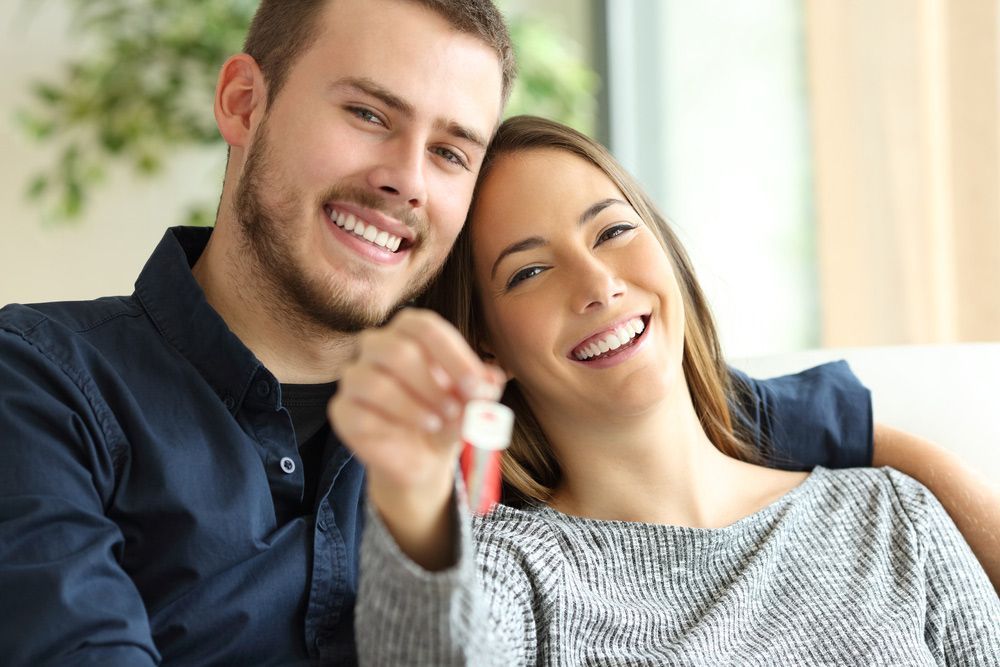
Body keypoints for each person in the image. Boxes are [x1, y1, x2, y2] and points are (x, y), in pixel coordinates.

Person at [0, 0, 993, 664]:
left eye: (449, 148)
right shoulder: (45, 381)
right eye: (366, 114)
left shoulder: (484, 406)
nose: (404, 176)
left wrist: (907, 460)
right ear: (243, 102)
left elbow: (683, 406)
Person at [339, 116, 1000, 664]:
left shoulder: (892, 516)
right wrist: (415, 496)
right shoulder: (507, 574)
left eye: (613, 231)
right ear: (487, 344)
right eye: (531, 270)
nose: (597, 282)